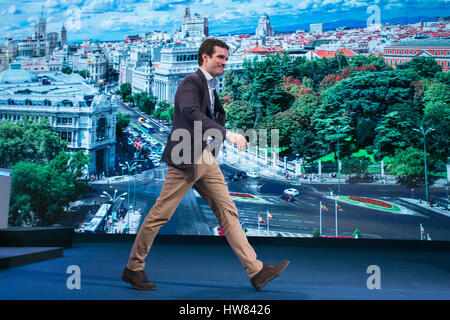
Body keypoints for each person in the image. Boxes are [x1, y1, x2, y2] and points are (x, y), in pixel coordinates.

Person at [121, 38, 289, 291]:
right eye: (220, 57)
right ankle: (133, 268)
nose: (224, 62)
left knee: (228, 212)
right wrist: (227, 133)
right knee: (160, 214)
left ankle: (256, 271)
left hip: (205, 157)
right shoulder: (191, 83)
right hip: (186, 156)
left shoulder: (211, 86)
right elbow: (190, 112)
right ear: (205, 58)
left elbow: (207, 116)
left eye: (226, 57)